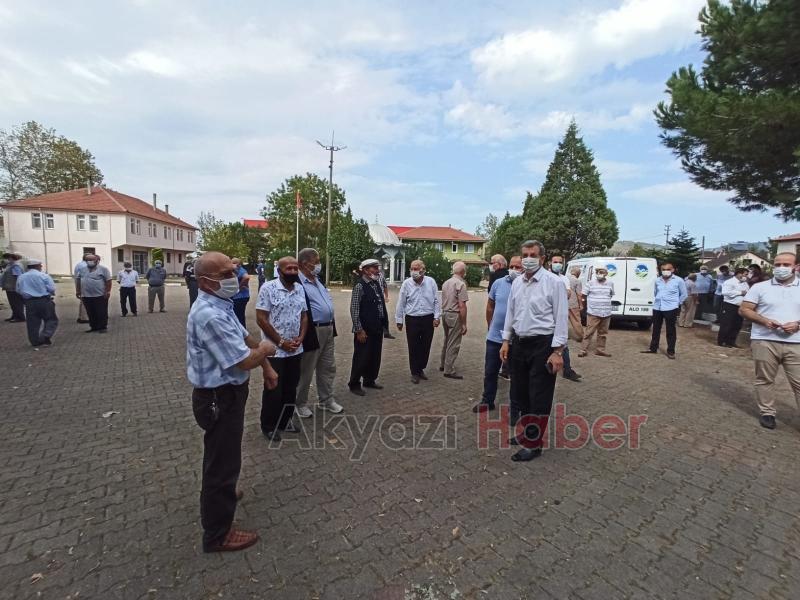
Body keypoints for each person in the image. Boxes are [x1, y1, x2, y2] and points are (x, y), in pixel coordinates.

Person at [187, 251, 278, 552]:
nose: (236, 278)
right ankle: (217, 534)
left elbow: (244, 338)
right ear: (205, 282)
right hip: (218, 397)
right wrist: (266, 351)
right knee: (221, 463)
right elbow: (242, 359)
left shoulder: (221, 304)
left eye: (234, 270)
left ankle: (222, 493)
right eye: (226, 274)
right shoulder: (209, 315)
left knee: (225, 456)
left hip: (228, 394)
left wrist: (265, 366)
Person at [500, 240, 568, 462]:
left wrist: (557, 351)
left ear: (542, 259)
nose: (528, 258)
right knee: (520, 394)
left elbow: (560, 318)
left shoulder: (554, 283)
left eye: (533, 254)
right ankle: (526, 433)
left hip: (542, 345)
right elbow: (511, 313)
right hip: (519, 344)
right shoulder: (518, 283)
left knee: (539, 396)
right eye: (525, 254)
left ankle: (534, 444)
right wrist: (506, 340)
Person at [739, 253, 800, 430]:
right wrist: (764, 321)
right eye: (777, 264)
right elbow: (745, 309)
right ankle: (767, 412)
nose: (781, 268)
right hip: (764, 340)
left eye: (786, 264)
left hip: (796, 342)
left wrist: (797, 325)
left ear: (795, 266)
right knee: (764, 379)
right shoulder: (760, 287)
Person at [256, 256, 308, 441]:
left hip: (295, 349)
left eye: (296, 268)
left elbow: (304, 316)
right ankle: (269, 425)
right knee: (273, 388)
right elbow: (261, 318)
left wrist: (301, 338)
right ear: (279, 270)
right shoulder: (268, 288)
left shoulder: (300, 289)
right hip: (275, 350)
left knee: (290, 387)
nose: (293, 272)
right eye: (289, 269)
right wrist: (280, 342)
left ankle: (285, 420)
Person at [296, 248, 343, 417]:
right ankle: (300, 403)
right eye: (316, 261)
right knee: (306, 369)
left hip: (328, 328)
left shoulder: (317, 280)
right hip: (312, 331)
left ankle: (326, 400)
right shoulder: (297, 282)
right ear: (304, 263)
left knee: (328, 367)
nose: (318, 265)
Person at [473, 256, 522, 413]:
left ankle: (515, 407)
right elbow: (490, 306)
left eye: (518, 267)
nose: (514, 269)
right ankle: (487, 400)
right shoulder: (498, 283)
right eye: (512, 266)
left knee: (516, 375)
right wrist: (490, 326)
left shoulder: (526, 286)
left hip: (516, 340)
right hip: (494, 338)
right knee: (490, 371)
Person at [395, 260, 441, 384]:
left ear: (423, 270)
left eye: (416, 269)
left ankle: (421, 368)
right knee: (413, 346)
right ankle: (414, 372)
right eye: (412, 269)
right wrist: (399, 320)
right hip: (412, 319)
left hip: (428, 318)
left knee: (426, 345)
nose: (413, 271)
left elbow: (436, 300)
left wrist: (437, 317)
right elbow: (401, 302)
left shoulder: (430, 282)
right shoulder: (406, 284)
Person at [348, 258, 388, 396]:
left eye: (378, 267)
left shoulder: (375, 284)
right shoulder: (360, 285)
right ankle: (354, 384)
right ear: (365, 270)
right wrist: (359, 329)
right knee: (361, 357)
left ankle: (369, 380)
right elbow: (354, 309)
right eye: (374, 268)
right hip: (364, 329)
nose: (378, 270)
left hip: (377, 327)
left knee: (374, 356)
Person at [641, 263, 687, 359]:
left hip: (671, 308)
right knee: (655, 329)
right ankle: (653, 348)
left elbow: (684, 294)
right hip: (657, 307)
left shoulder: (679, 280)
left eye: (668, 269)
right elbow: (655, 292)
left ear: (673, 270)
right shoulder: (658, 280)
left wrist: (677, 303)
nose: (665, 270)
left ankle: (671, 351)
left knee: (670, 330)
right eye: (663, 269)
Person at [549, 256, 582, 380]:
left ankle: (567, 370)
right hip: (546, 318)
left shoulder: (564, 279)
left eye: (559, 262)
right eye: (555, 262)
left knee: (563, 344)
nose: (557, 264)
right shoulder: (545, 277)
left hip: (560, 316)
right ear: (550, 263)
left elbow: (568, 295)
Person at [15, 259, 58, 347]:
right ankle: (45, 336)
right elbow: (52, 288)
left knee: (32, 322)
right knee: (51, 319)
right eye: (40, 265)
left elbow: (18, 290)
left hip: (29, 302)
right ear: (37, 266)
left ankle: (34, 341)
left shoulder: (21, 277)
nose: (41, 267)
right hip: (44, 300)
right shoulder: (44, 276)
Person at [440, 261, 469, 379]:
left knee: (447, 340)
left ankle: (443, 364)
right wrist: (464, 324)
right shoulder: (461, 284)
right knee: (454, 343)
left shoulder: (446, 282)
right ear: (463, 272)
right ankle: (449, 369)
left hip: (445, 313)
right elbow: (462, 306)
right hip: (454, 314)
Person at [579, 266, 614, 358]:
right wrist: (585, 307)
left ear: (606, 273)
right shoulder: (590, 283)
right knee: (589, 332)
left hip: (606, 312)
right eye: (597, 272)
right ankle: (583, 350)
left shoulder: (610, 283)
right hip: (593, 312)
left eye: (601, 272)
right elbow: (584, 295)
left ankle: (600, 350)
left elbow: (610, 295)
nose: (599, 274)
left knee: (603, 333)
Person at [76, 254, 112, 332]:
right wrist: (78, 290)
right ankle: (93, 327)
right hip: (86, 295)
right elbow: (78, 280)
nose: (90, 262)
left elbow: (108, 281)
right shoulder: (82, 269)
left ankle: (102, 327)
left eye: (92, 260)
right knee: (90, 312)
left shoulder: (103, 269)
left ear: (96, 261)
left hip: (100, 295)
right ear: (85, 261)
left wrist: (107, 291)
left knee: (101, 312)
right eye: (88, 260)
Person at [717, 267, 749, 348]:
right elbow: (725, 292)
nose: (746, 276)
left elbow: (747, 292)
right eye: (745, 274)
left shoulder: (745, 283)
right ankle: (722, 341)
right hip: (729, 305)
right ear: (739, 273)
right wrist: (740, 293)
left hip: (740, 306)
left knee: (737, 325)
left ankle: (731, 341)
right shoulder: (729, 282)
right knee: (727, 324)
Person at [1, 252, 26, 322]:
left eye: (6, 258)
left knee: (17, 303)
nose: (5, 260)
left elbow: (18, 277)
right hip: (10, 287)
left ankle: (20, 317)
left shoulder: (16, 266)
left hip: (14, 288)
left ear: (11, 258)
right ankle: (14, 316)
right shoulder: (11, 265)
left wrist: (18, 288)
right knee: (13, 303)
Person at [231, 258, 251, 327]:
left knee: (239, 317)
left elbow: (246, 277)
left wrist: (239, 287)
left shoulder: (240, 270)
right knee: (240, 316)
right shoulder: (236, 270)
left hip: (239, 297)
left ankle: (242, 333)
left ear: (238, 264)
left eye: (233, 263)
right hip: (243, 296)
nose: (231, 264)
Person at [567, 266, 584, 342]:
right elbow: (579, 294)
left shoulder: (565, 278)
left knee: (563, 320)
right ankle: (580, 336)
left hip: (564, 302)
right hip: (573, 303)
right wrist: (581, 304)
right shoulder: (577, 281)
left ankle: (564, 335)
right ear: (578, 273)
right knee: (576, 320)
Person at [378, 270, 395, 340]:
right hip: (373, 300)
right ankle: (377, 331)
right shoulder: (370, 277)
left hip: (381, 299)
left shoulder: (381, 276)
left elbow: (385, 286)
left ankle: (386, 332)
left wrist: (386, 296)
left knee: (384, 316)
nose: (377, 270)